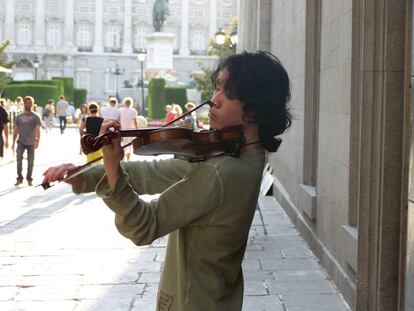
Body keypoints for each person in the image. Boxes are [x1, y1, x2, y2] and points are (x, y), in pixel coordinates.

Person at [42, 51, 292, 310]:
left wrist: (113, 166)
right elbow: (158, 172)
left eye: (225, 93)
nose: (212, 100)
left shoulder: (222, 172)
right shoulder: (245, 156)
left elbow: (144, 226)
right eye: (216, 88)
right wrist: (82, 175)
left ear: (253, 109)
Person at [13, 96, 41, 186]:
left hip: (31, 142)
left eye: (30, 103)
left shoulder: (36, 117)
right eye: (26, 103)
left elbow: (37, 130)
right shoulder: (19, 116)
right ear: (24, 104)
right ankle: (19, 178)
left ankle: (29, 179)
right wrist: (13, 143)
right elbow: (16, 130)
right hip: (21, 141)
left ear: (32, 104)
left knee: (30, 161)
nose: (28, 104)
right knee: (19, 159)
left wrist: (37, 140)